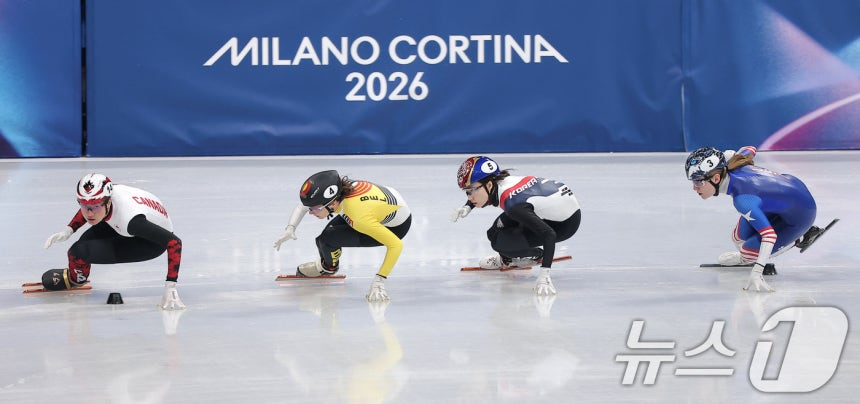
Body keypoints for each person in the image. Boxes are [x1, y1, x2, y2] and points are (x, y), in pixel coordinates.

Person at [685, 146, 821, 292]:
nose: (695, 188)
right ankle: (747, 257)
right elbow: (749, 149)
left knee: (748, 252)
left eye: (698, 182)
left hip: (803, 213)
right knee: (737, 238)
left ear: (716, 178)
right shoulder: (733, 162)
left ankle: (803, 235)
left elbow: (769, 235)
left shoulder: (742, 200)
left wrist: (757, 271)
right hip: (788, 191)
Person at [43, 173, 186, 309]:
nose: (89, 213)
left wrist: (170, 286)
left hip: (149, 242)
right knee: (84, 242)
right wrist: (69, 230)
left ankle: (77, 279)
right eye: (84, 205)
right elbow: (90, 205)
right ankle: (80, 271)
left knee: (78, 252)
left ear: (109, 201)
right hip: (134, 218)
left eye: (95, 206)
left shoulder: (131, 221)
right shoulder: (106, 195)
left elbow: (175, 243)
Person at [450, 156, 582, 296]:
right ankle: (507, 258)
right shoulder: (499, 183)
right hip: (551, 207)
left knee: (500, 243)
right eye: (466, 192)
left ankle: (536, 255)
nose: (469, 197)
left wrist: (544, 276)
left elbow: (549, 234)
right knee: (493, 232)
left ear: (489, 185)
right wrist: (467, 207)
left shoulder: (513, 204)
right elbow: (480, 190)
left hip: (564, 224)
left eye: (470, 191)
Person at [273, 170, 411, 302]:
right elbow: (303, 206)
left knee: (328, 239)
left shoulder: (359, 218)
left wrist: (379, 280)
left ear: (333, 203)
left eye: (314, 209)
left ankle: (328, 268)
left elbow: (396, 245)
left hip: (395, 227)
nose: (311, 212)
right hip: (379, 208)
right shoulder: (339, 193)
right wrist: (290, 228)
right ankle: (327, 262)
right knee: (324, 238)